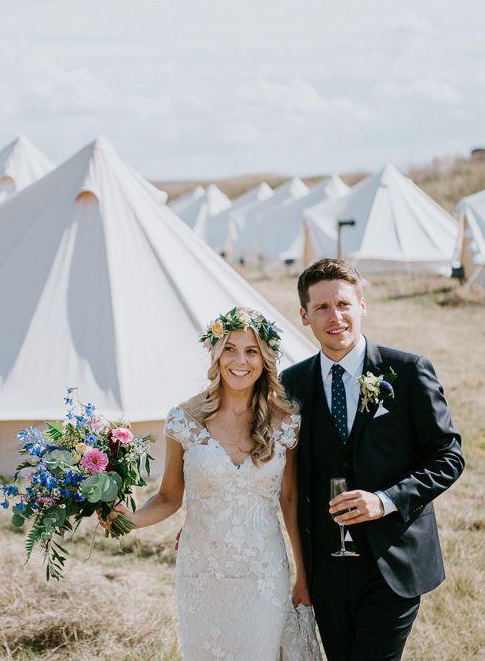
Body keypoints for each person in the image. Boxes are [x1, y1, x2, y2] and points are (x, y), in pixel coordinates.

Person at [106, 307, 322, 660]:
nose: (240, 360)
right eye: (230, 349)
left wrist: (303, 575)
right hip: (201, 572)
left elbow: (291, 499)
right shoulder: (184, 419)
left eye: (251, 351)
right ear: (216, 353)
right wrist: (127, 519)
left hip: (263, 572)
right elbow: (168, 497)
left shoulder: (285, 421)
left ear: (264, 358)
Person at [280, 258, 465, 661]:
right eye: (322, 308)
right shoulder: (291, 384)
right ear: (304, 315)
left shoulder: (408, 371)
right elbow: (280, 474)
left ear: (362, 305)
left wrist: (384, 500)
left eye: (344, 304)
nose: (336, 317)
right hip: (326, 569)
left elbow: (448, 457)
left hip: (393, 563)